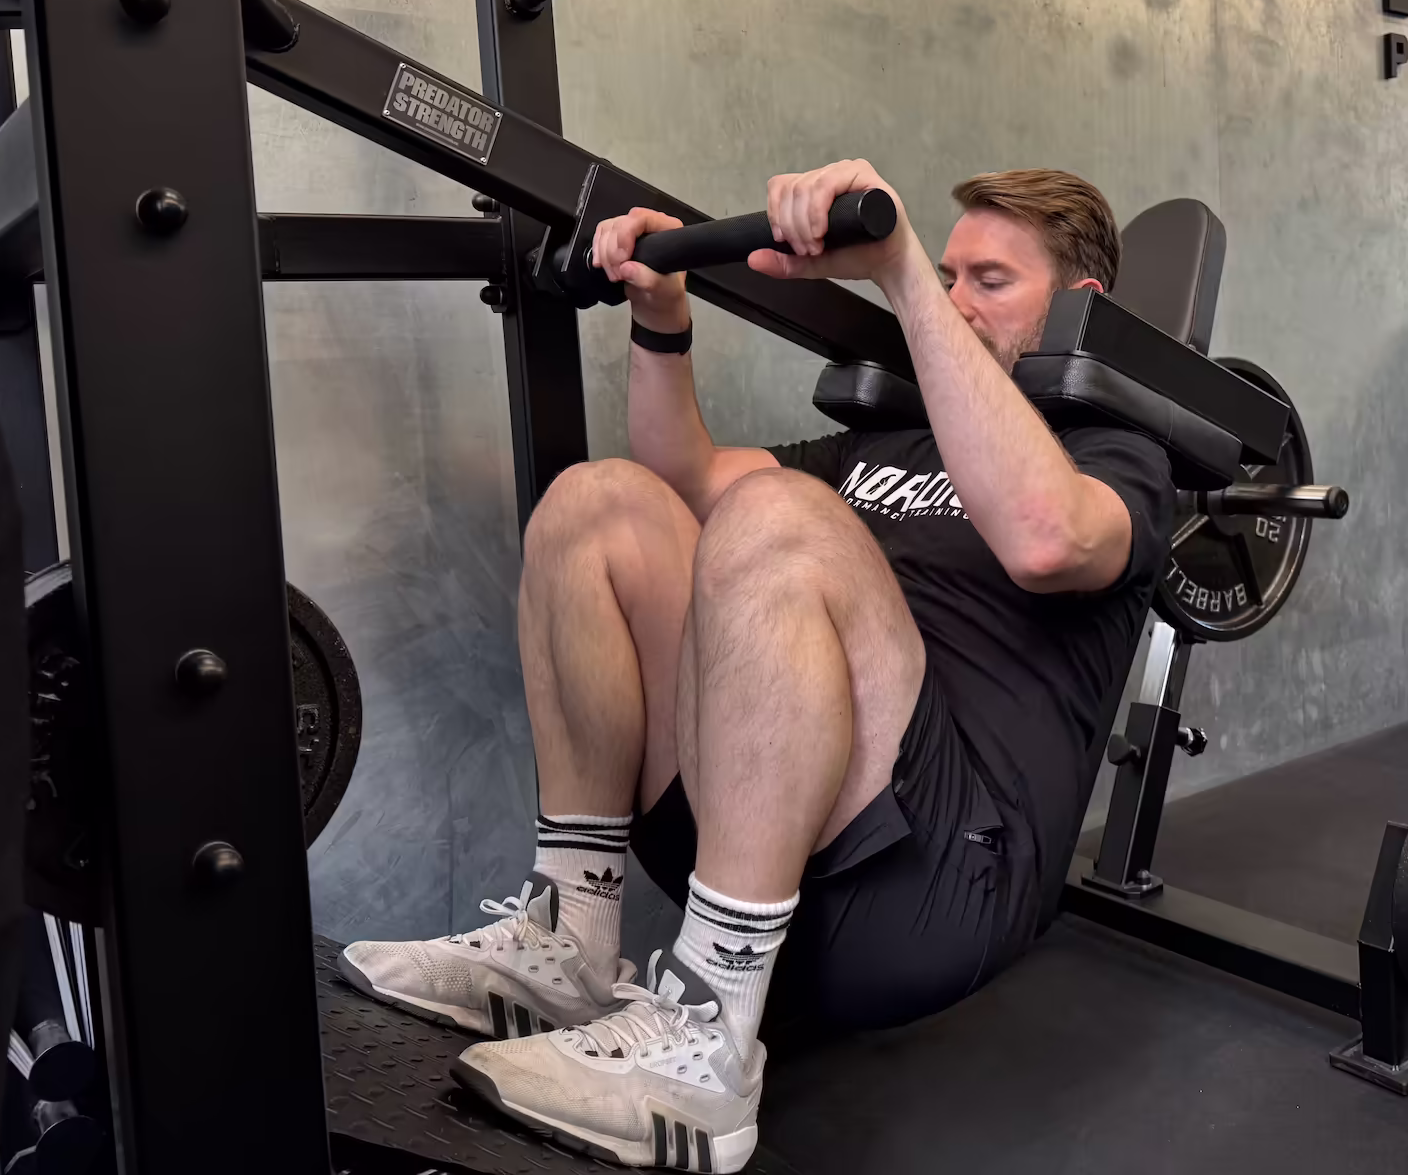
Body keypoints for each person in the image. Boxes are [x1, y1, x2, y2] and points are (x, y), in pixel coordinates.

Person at [339, 159, 1174, 1171]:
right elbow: (682, 478)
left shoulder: (1117, 451)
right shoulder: (891, 435)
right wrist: (662, 318)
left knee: (777, 518)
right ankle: (571, 933)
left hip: (931, 883)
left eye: (989, 282)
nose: (957, 300)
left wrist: (904, 278)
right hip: (751, 827)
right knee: (597, 503)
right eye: (948, 275)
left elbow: (1049, 540)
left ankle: (710, 1044)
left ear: (1080, 304)